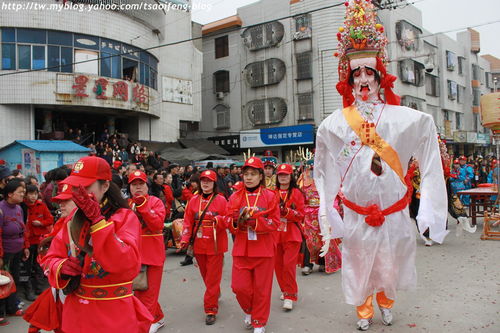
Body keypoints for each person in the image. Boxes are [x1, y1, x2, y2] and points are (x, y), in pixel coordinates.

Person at [314, 1, 448, 330]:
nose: (362, 79)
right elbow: (325, 168)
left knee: (390, 261)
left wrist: (431, 204)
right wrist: (327, 212)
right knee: (359, 263)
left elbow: (428, 135)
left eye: (368, 72)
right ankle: (364, 311)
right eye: (356, 72)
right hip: (357, 211)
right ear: (348, 78)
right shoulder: (333, 124)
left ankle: (387, 303)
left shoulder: (405, 119)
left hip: (393, 211)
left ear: (379, 76)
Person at [43, 156, 152, 332]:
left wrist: (98, 222)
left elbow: (127, 264)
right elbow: (50, 257)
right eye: (76, 187)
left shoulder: (125, 218)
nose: (80, 193)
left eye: (86, 187)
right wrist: (61, 267)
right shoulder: (72, 219)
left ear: (105, 186)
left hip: (114, 311)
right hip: (77, 312)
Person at [226, 157, 280, 333]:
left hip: (264, 249)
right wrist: (235, 221)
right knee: (239, 287)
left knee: (262, 289)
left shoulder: (270, 196)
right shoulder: (235, 196)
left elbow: (275, 223)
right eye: (246, 174)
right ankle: (249, 310)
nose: (248, 178)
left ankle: (259, 322)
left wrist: (255, 223)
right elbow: (228, 219)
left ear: (260, 176)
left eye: (253, 174)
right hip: (242, 248)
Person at [24, 183, 76, 333]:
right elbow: (48, 255)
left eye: (66, 201)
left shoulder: (90, 224)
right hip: (61, 284)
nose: (61, 205)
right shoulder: (62, 222)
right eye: (60, 201)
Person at [179, 170, 228, 325]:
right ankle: (214, 293)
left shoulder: (221, 200)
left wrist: (218, 220)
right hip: (199, 243)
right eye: (203, 181)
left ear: (214, 183)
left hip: (215, 243)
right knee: (206, 276)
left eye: (209, 181)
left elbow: (228, 220)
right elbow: (187, 222)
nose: (206, 183)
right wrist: (184, 239)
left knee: (212, 278)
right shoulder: (193, 200)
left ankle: (211, 309)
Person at [128, 171, 166, 333]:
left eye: (141, 184)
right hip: (133, 257)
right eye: (134, 184)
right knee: (139, 292)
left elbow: (157, 225)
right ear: (129, 187)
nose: (138, 187)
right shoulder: (126, 204)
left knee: (148, 295)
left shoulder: (156, 202)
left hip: (153, 256)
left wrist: (143, 207)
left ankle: (145, 324)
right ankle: (157, 318)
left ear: (147, 186)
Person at [298, 157, 342, 275]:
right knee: (309, 239)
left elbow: (335, 196)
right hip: (308, 212)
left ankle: (323, 263)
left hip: (324, 211)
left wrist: (331, 210)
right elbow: (300, 196)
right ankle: (308, 264)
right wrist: (302, 210)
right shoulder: (304, 178)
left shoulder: (330, 178)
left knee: (326, 237)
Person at [274, 164, 305, 311]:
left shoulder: (297, 193)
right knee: (278, 266)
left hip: (292, 233)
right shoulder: (271, 193)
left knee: (288, 266)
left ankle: (290, 295)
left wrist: (286, 212)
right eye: (280, 175)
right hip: (275, 234)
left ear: (291, 176)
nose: (283, 177)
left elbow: (301, 215)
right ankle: (284, 290)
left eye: (286, 175)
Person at [0, 179, 29, 325]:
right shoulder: (1, 209)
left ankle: (12, 307)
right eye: (20, 192)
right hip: (5, 251)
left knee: (14, 280)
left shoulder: (18, 208)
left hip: (18, 249)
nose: (23, 194)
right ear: (10, 194)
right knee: (3, 282)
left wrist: (26, 247)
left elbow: (23, 229)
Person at [24, 185, 54, 299]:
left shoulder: (41, 205)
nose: (33, 196)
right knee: (27, 266)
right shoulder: (23, 207)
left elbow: (50, 219)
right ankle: (28, 290)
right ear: (26, 195)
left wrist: (41, 223)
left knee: (39, 264)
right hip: (28, 241)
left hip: (40, 240)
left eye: (35, 194)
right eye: (30, 194)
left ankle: (39, 287)